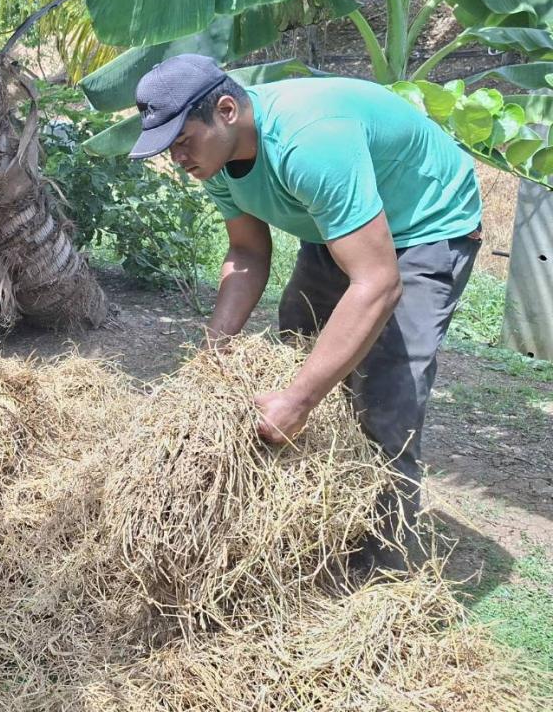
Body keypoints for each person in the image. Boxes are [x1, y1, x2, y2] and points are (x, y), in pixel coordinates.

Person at [129, 54, 482, 568]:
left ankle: (380, 573)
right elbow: (247, 252)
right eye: (170, 148)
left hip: (424, 227)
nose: (178, 159)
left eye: (183, 142)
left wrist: (297, 401)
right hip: (339, 223)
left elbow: (378, 283)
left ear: (226, 110)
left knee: (386, 394)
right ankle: (313, 517)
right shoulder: (216, 157)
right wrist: (213, 354)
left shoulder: (309, 143)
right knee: (301, 337)